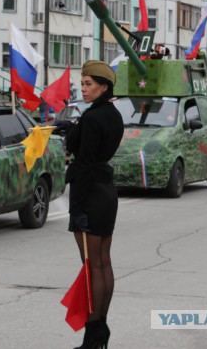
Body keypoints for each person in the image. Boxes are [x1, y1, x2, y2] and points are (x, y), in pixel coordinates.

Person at [64, 60, 124, 349]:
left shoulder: (92, 118)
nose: (83, 88)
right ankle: (100, 331)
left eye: (89, 84)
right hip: (106, 193)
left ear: (104, 87)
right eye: (83, 83)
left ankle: (93, 336)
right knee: (102, 263)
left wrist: (76, 210)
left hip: (89, 194)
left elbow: (85, 164)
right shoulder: (112, 114)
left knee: (91, 266)